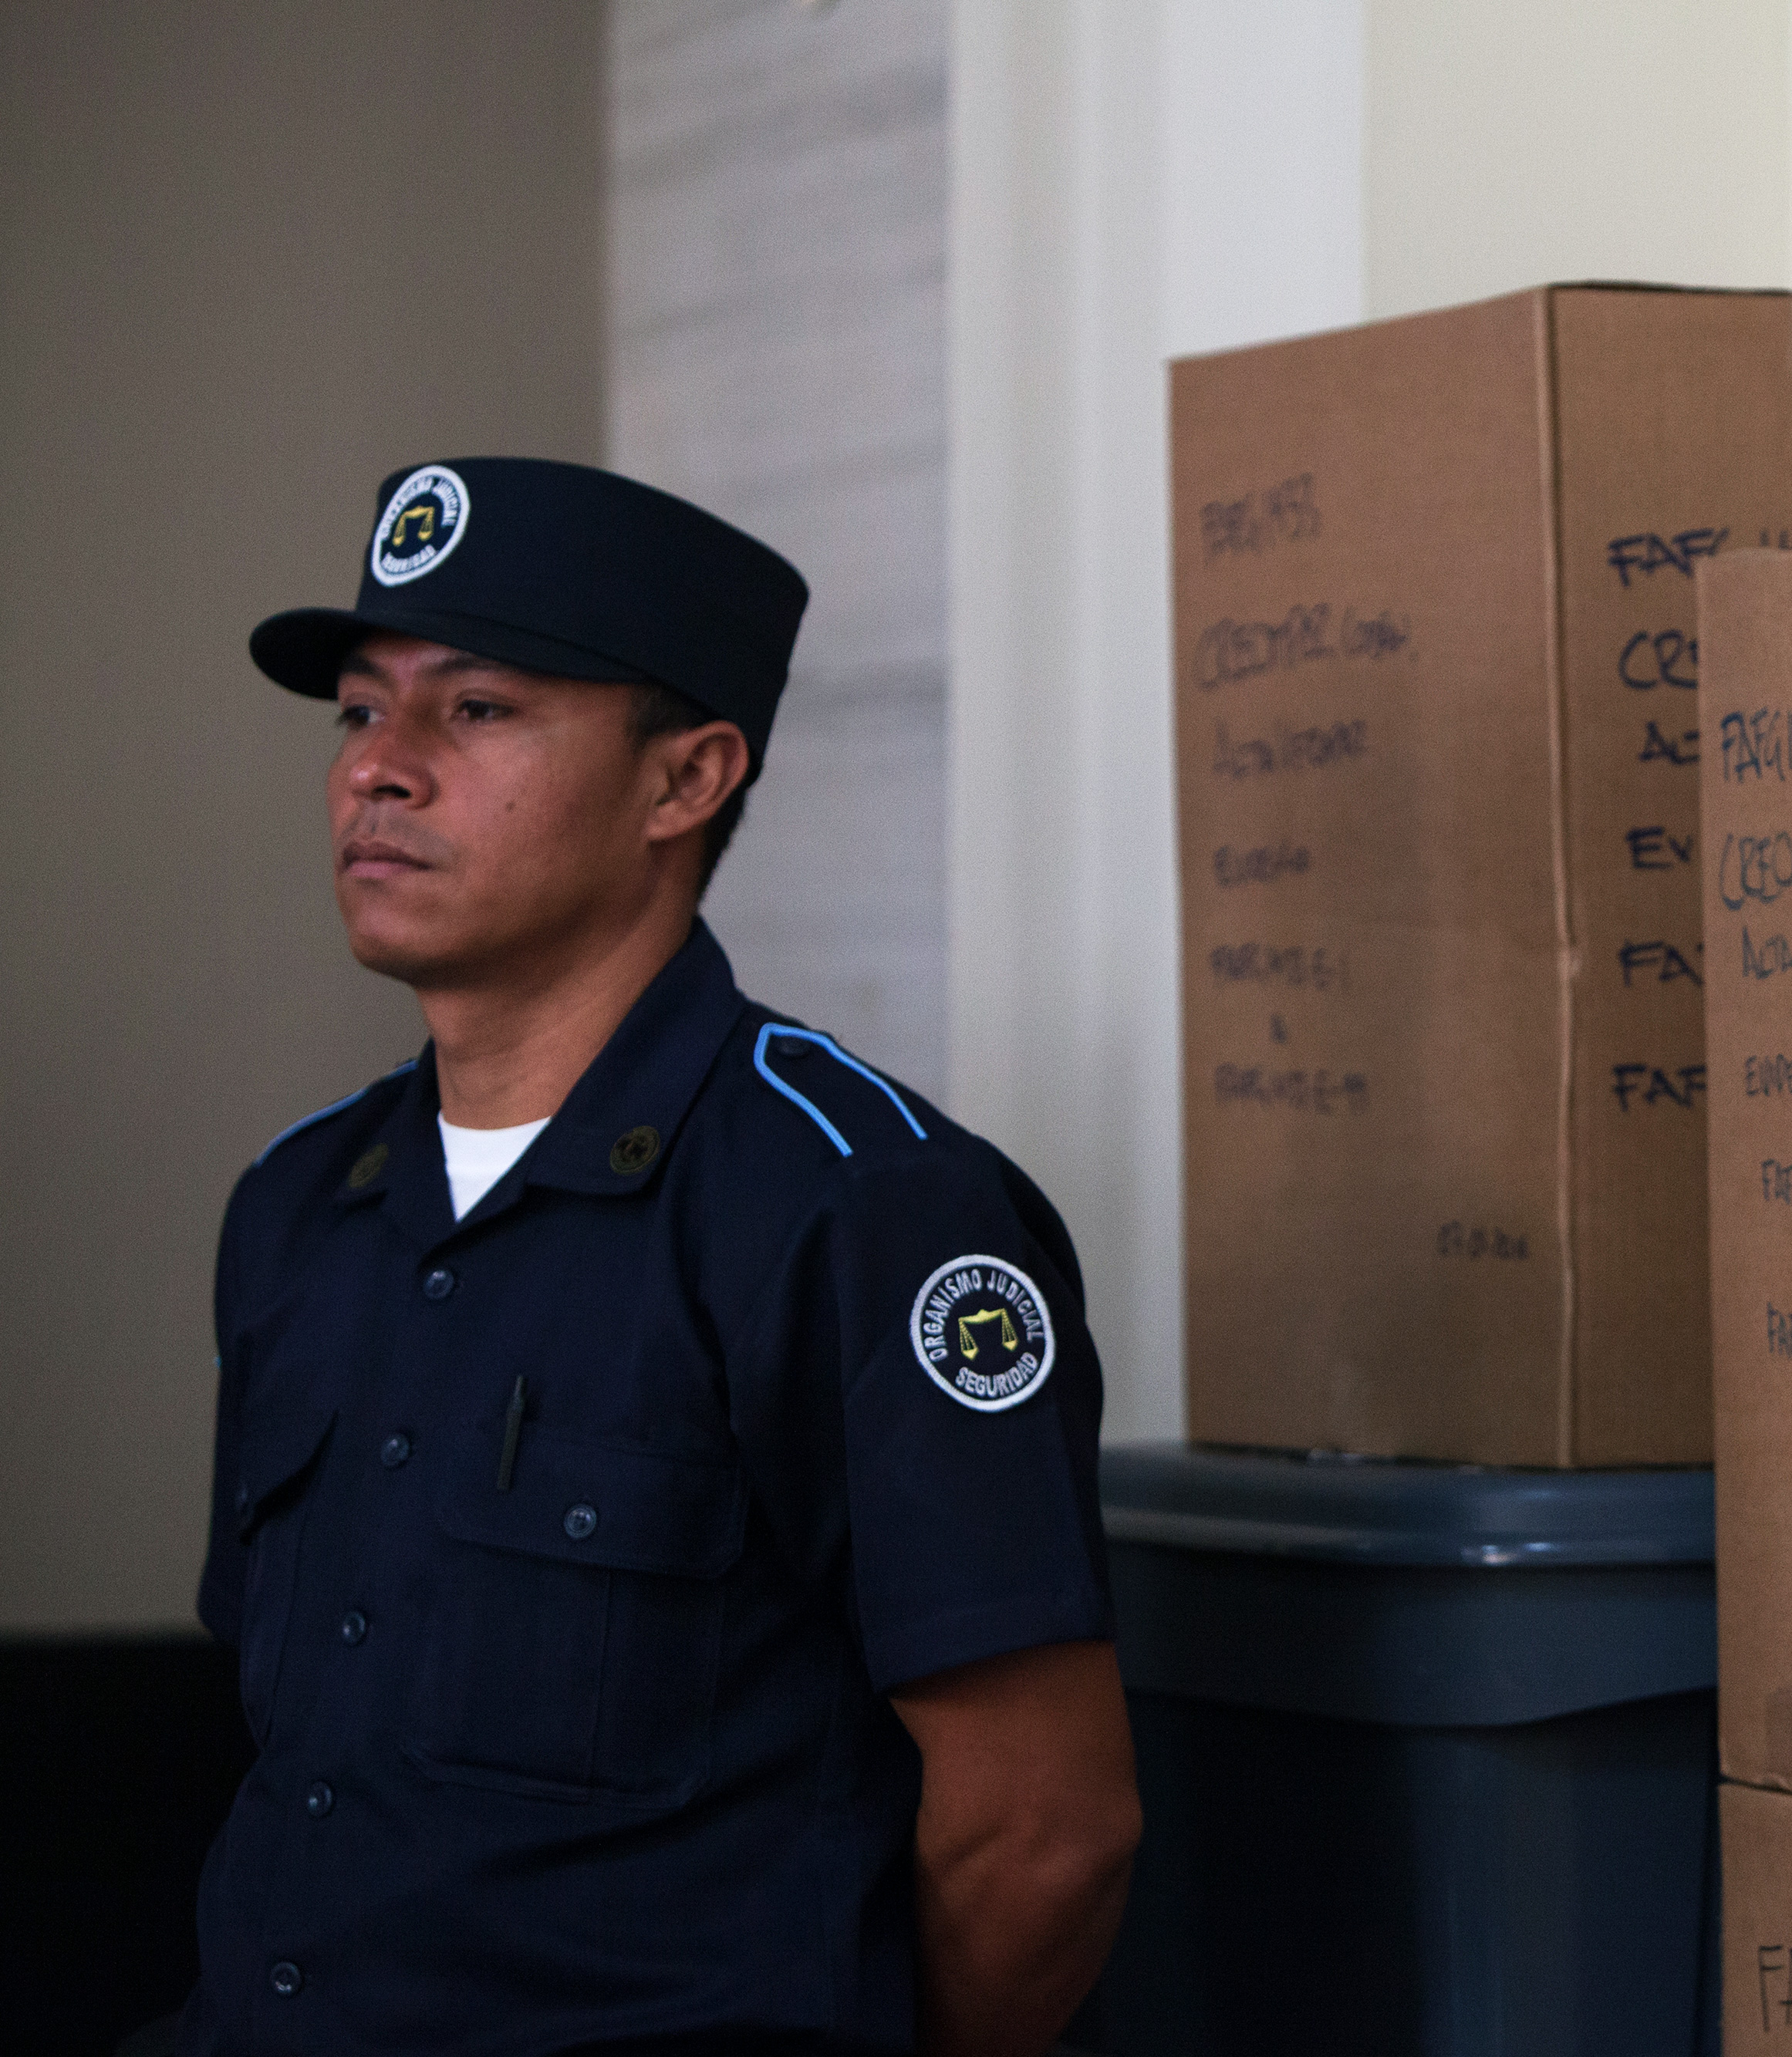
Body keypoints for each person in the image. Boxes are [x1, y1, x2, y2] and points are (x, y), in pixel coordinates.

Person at [172, 457, 1139, 2055]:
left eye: (474, 710)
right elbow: (304, 1760)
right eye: (358, 712)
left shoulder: (862, 1205)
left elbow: (1043, 1832)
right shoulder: (296, 1203)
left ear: (684, 779)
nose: (378, 773)